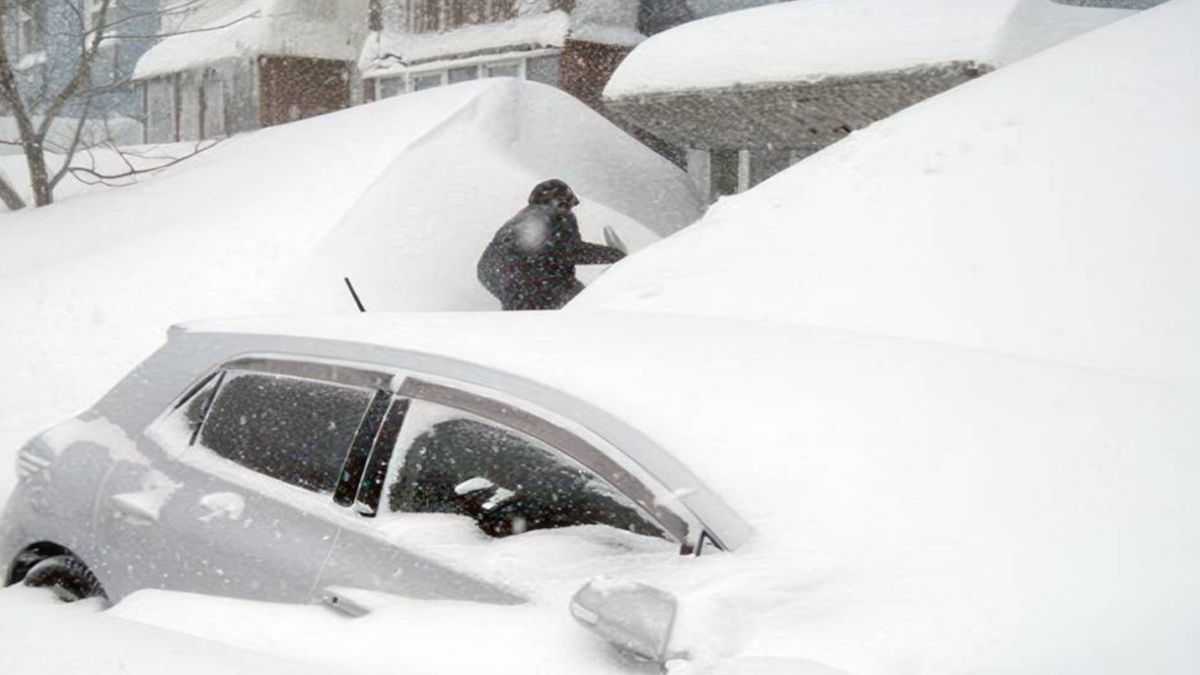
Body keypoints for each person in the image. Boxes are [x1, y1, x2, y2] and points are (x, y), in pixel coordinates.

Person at [477, 179, 626, 310]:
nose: (569, 209)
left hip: (503, 274)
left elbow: (563, 251)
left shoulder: (531, 216)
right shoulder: (543, 220)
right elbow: (569, 251)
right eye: (565, 204)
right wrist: (613, 255)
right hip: (524, 279)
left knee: (567, 301)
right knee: (575, 306)